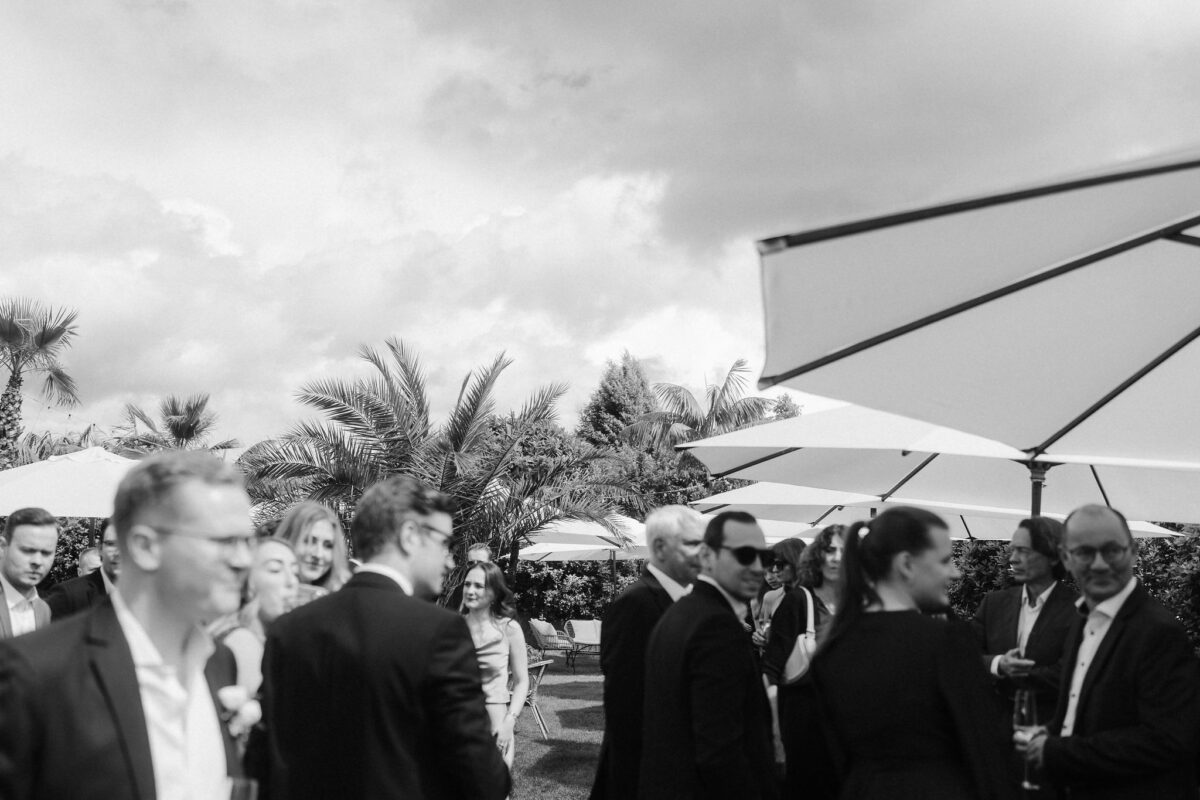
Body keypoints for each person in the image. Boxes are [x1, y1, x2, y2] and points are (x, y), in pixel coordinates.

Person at [0, 450, 253, 800]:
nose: (244, 560)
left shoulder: (219, 662)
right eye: (224, 541)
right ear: (145, 547)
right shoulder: (37, 671)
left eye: (248, 541)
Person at [259, 475, 509, 800]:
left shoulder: (288, 628)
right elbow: (483, 778)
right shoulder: (439, 632)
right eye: (444, 543)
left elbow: (266, 759)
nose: (449, 560)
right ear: (409, 536)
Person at [808, 506, 1017, 800]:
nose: (955, 572)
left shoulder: (831, 648)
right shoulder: (945, 640)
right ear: (906, 564)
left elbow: (826, 760)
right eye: (944, 560)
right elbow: (984, 750)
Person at [1016, 504, 1200, 799]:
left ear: (1133, 553)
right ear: (1066, 558)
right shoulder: (1083, 618)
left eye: (1112, 550)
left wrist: (1056, 751)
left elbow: (1168, 741)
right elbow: (1083, 709)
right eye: (1085, 552)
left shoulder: (1159, 632)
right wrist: (1049, 731)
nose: (1100, 564)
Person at [639, 510, 779, 800]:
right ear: (707, 556)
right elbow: (720, 754)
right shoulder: (715, 626)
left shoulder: (683, 612)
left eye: (764, 557)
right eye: (744, 555)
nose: (757, 567)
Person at [590, 505, 704, 800]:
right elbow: (625, 706)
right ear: (660, 548)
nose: (703, 553)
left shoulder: (682, 601)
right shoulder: (636, 603)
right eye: (693, 543)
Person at [765, 526, 844, 797]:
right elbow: (770, 670)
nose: (837, 557)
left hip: (846, 727)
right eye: (830, 550)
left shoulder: (858, 604)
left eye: (844, 551)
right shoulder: (799, 601)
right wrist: (777, 738)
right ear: (816, 556)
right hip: (806, 726)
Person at [972, 517, 1077, 718]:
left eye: (1023, 551)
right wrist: (999, 664)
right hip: (993, 724)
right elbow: (965, 655)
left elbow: (1069, 672)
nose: (1013, 559)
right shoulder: (993, 604)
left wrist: (1013, 674)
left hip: (1049, 728)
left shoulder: (1079, 610)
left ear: (1054, 557)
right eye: (1013, 550)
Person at [462, 560, 528, 767]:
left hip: (495, 723)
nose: (470, 591)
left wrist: (510, 721)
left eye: (478, 586)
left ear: (493, 593)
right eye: (467, 584)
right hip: (457, 722)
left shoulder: (509, 628)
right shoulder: (452, 626)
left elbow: (521, 681)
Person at [218, 537, 300, 694]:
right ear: (248, 582)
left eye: (296, 573)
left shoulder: (268, 641)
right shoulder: (243, 641)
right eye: (275, 570)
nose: (292, 582)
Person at [44, 518, 120, 620]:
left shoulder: (142, 595)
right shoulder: (68, 596)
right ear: (100, 548)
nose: (118, 553)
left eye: (125, 544)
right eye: (111, 544)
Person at [0, 507, 58, 639]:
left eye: (46, 553)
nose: (37, 561)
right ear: (2, 547)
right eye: (27, 550)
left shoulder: (43, 610)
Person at [276, 500, 351, 600]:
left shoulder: (340, 599)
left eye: (328, 546)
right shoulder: (263, 599)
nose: (318, 554)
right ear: (287, 539)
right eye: (309, 541)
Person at [447, 542, 492, 610]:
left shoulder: (500, 593)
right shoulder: (459, 591)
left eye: (480, 563)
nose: (475, 566)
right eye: (471, 563)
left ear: (491, 564)